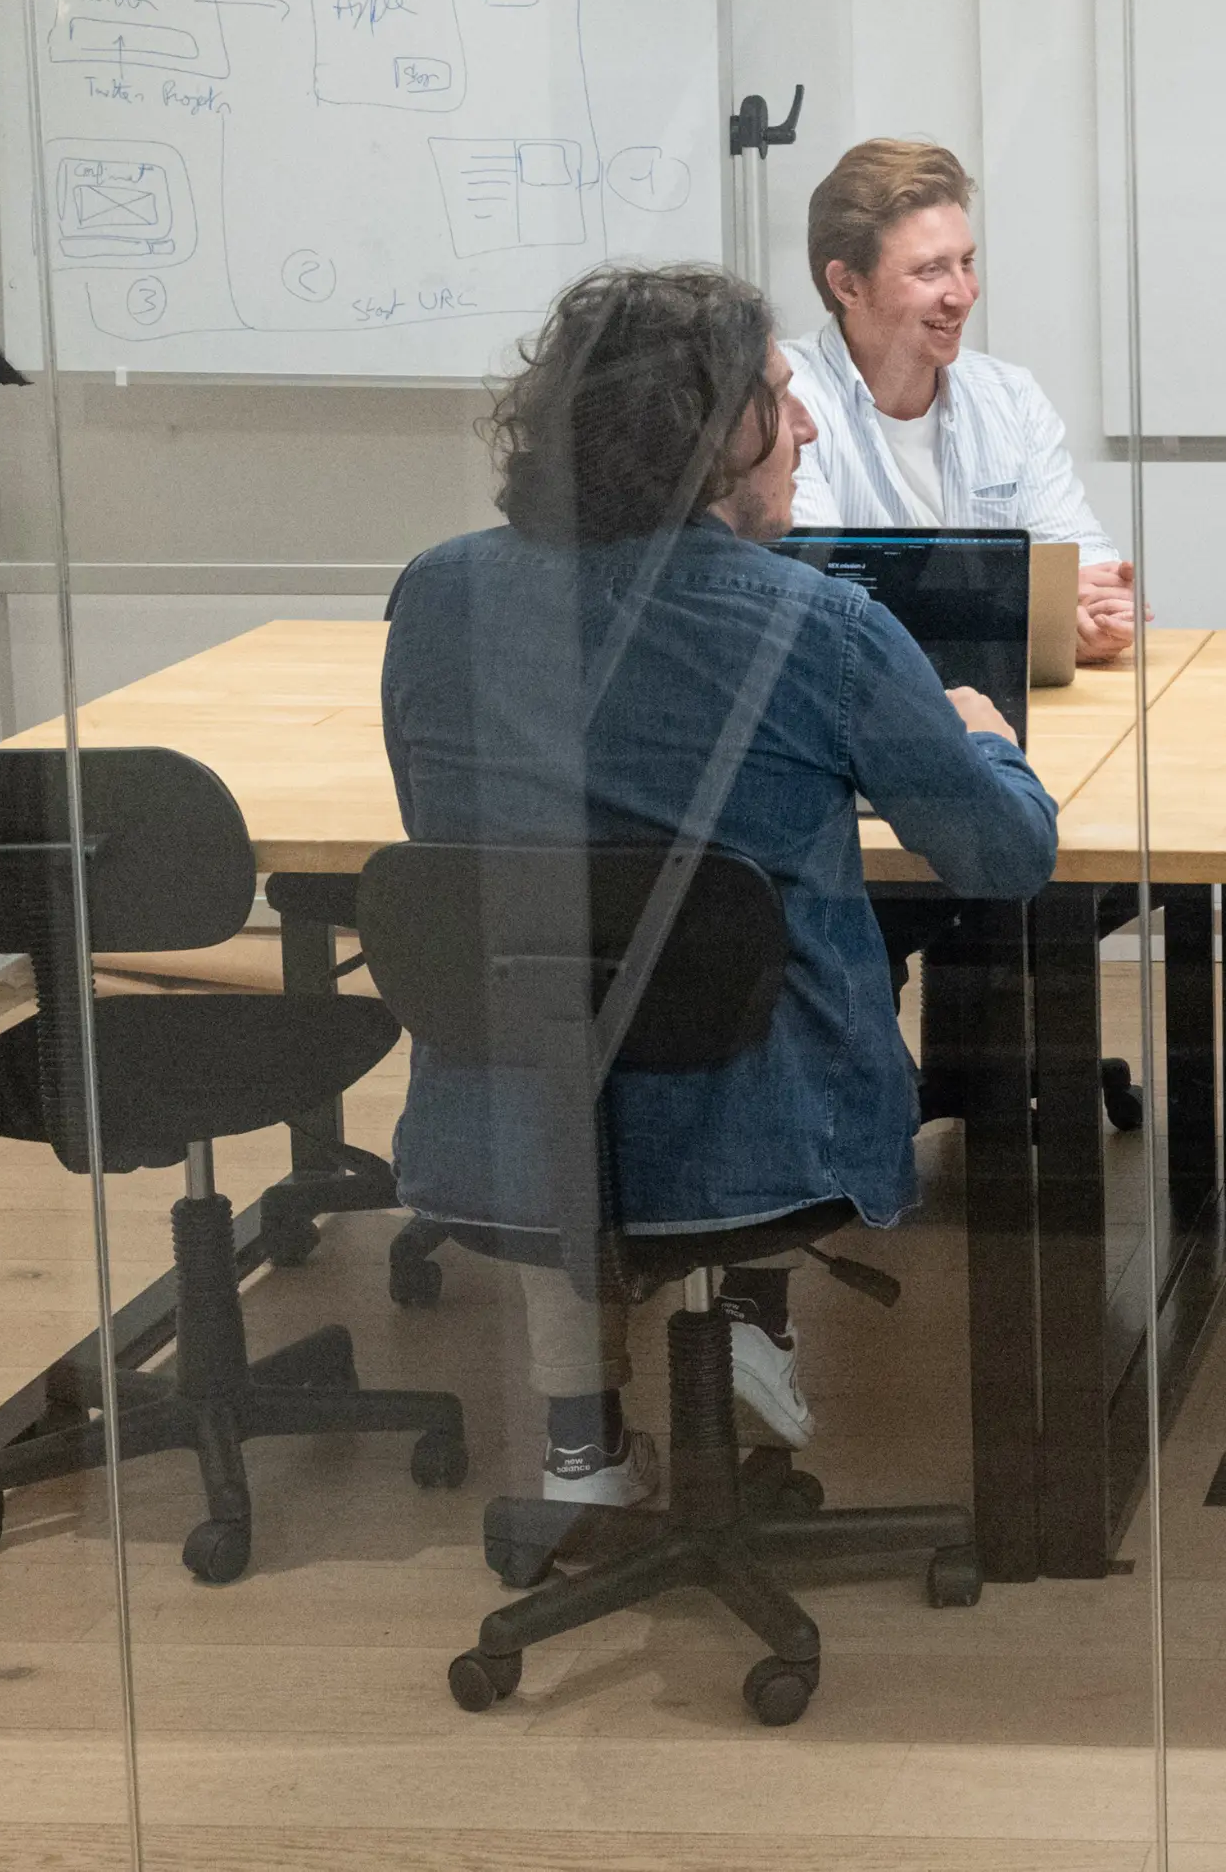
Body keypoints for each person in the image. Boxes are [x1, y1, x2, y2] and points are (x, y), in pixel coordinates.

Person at [382, 264, 1062, 1507]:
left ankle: (582, 1448)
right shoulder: (818, 626)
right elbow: (1004, 857)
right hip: (767, 1131)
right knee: (710, 995)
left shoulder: (436, 597)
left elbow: (448, 835)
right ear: (704, 440)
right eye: (777, 400)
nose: (805, 426)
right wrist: (982, 736)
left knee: (574, 1018)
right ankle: (748, 1326)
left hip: (513, 1122)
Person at [785, 137, 1138, 664]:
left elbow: (1077, 557)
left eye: (966, 263)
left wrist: (1095, 608)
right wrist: (1027, 613)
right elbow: (823, 598)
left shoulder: (1009, 396)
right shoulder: (784, 400)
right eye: (930, 271)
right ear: (847, 284)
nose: (963, 293)